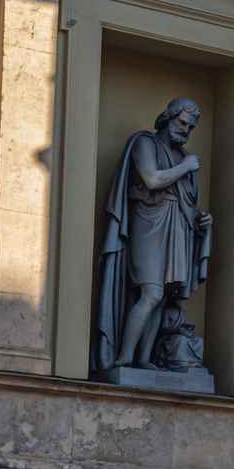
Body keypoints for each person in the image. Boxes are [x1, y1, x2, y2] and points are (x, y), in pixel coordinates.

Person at [94, 98, 212, 374]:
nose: (185, 130)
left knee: (161, 295)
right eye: (182, 123)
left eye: (191, 127)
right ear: (168, 117)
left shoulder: (183, 157)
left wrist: (199, 219)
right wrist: (185, 168)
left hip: (175, 227)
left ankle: (143, 359)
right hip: (147, 224)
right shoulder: (144, 143)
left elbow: (187, 203)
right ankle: (123, 358)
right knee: (151, 292)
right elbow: (152, 179)